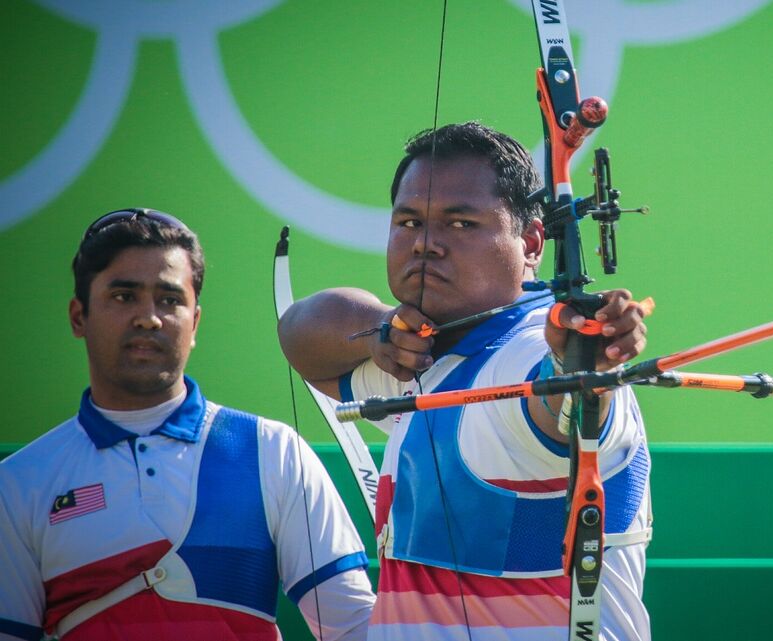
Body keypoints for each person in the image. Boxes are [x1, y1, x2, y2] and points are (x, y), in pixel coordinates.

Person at [277, 122, 654, 640]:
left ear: (531, 242)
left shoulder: (523, 355)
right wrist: (376, 334)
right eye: (409, 221)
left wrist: (583, 364)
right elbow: (301, 333)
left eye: (460, 224)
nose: (425, 244)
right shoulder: (422, 357)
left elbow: (560, 407)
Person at [0, 208, 375, 641]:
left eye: (170, 299)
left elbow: (354, 628)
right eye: (124, 296)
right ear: (78, 316)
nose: (149, 318)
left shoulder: (272, 450)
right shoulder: (19, 484)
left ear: (195, 322)